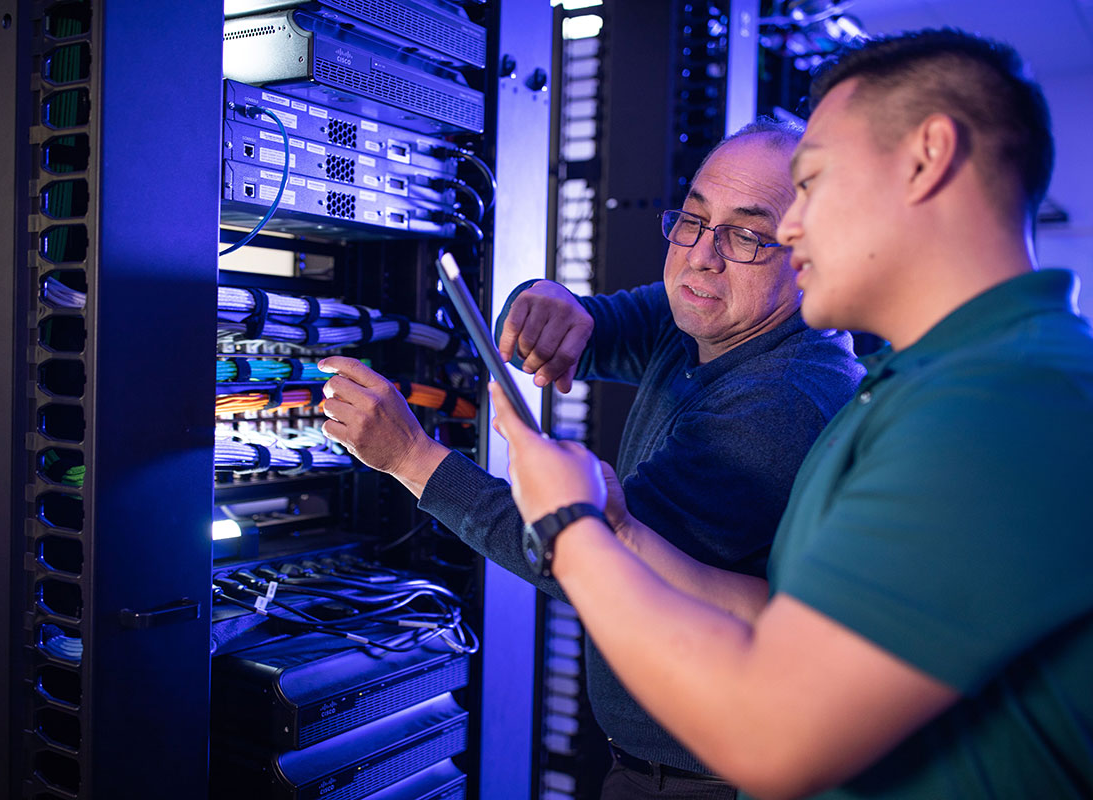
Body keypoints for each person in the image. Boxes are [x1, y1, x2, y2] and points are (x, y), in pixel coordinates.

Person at [487, 27, 1093, 800]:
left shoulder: (1003, 403)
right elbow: (779, 614)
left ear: (926, 157)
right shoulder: (920, 382)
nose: (792, 226)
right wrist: (619, 528)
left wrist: (568, 528)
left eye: (813, 182)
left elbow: (772, 733)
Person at [318, 119, 863, 799]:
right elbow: (583, 327)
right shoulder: (707, 312)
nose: (702, 256)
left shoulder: (785, 396)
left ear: (810, 253)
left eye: (748, 236)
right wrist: (545, 299)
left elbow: (590, 562)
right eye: (693, 219)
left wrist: (412, 459)